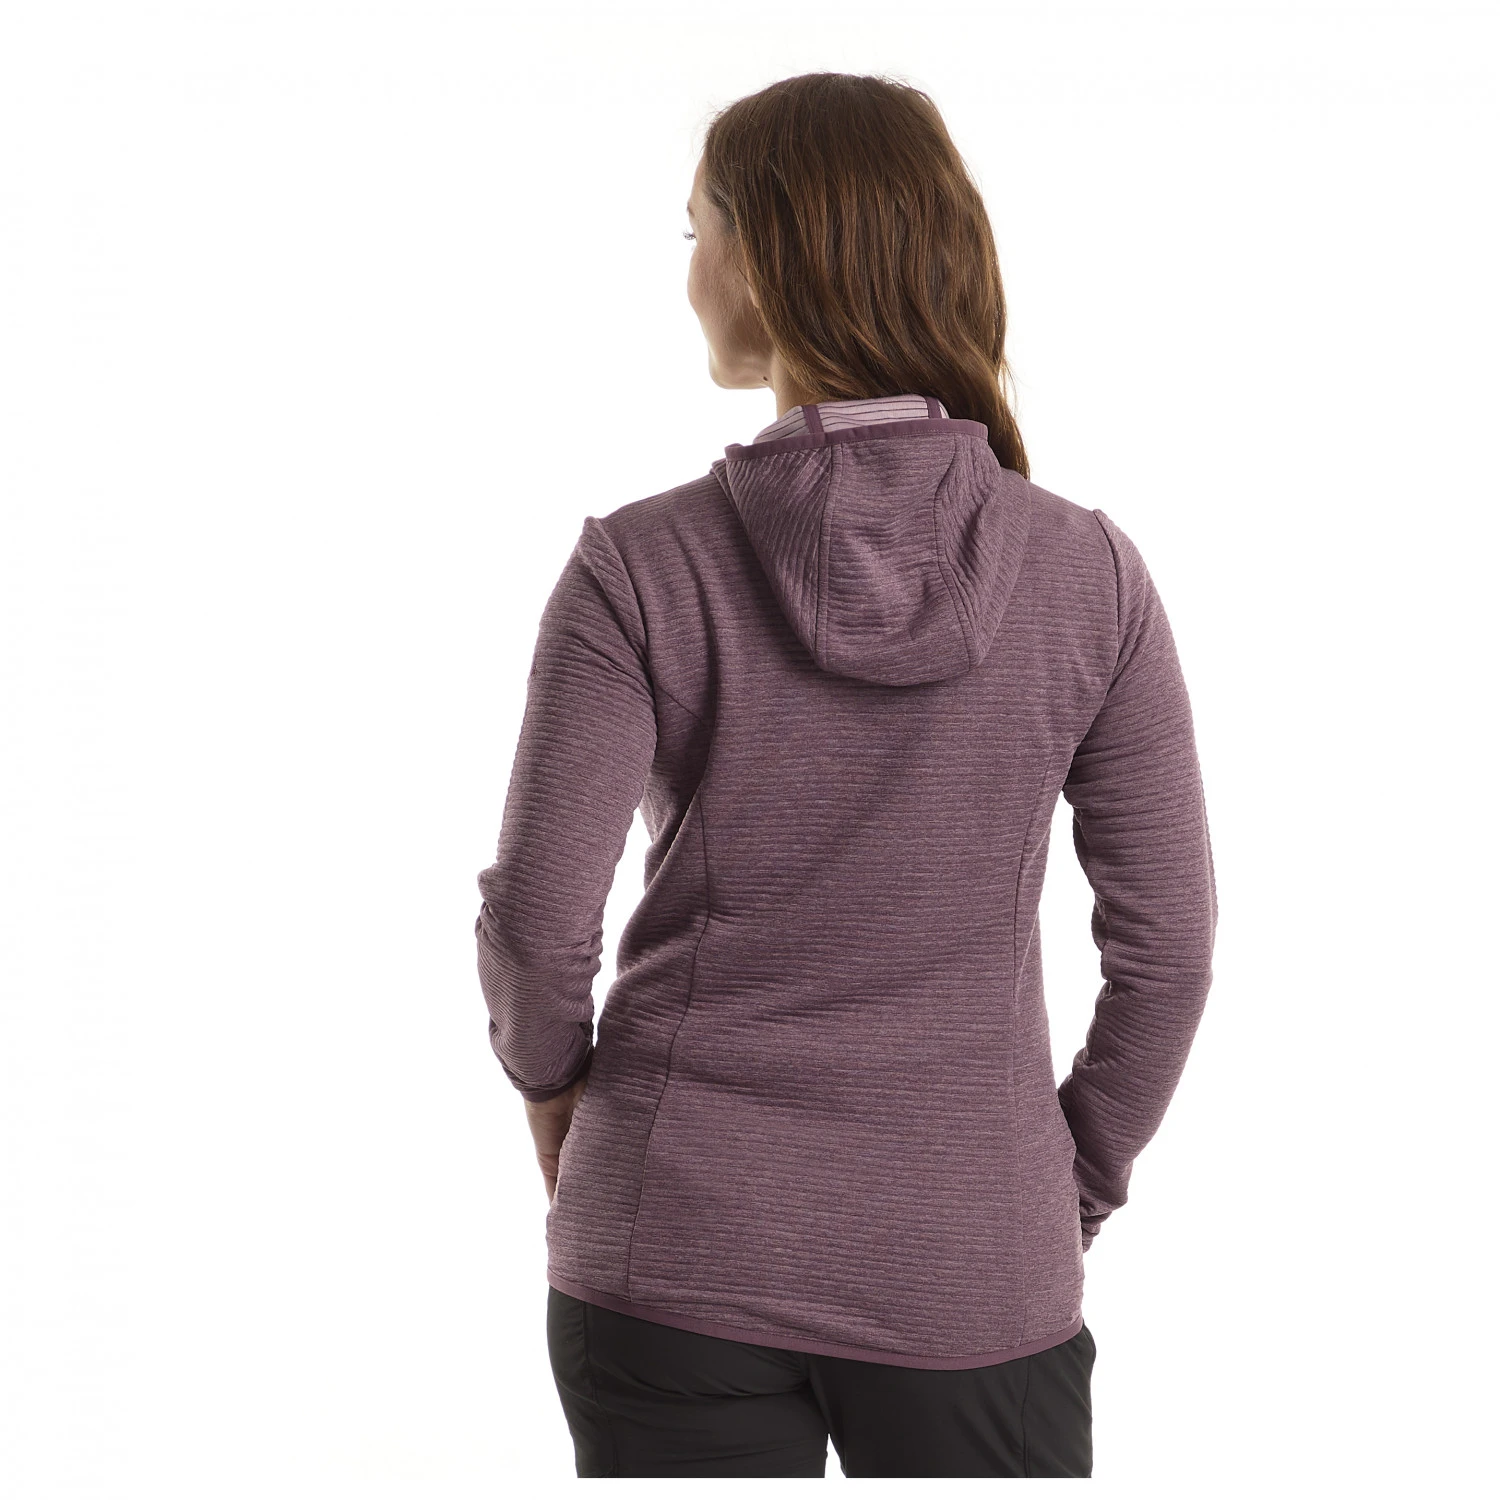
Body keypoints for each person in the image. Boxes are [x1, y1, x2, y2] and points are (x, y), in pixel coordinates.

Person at [474, 71, 1218, 1479]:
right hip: (971, 1259)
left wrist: (556, 1096)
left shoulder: (637, 567)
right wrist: (1056, 1189)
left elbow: (533, 926)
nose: (686, 273)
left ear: (763, 260)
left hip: (673, 1238)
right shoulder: (1091, 576)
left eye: (695, 232)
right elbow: (1169, 954)